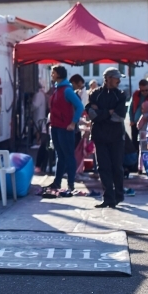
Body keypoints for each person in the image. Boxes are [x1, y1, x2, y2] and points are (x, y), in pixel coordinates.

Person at [86, 67, 127, 209]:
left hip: (116, 136)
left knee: (117, 166)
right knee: (103, 167)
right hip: (100, 136)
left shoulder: (121, 95)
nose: (119, 80)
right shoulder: (95, 94)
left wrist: (101, 114)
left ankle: (119, 195)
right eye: (116, 77)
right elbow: (91, 114)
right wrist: (108, 112)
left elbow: (119, 116)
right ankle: (108, 197)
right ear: (108, 78)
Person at [46, 65, 84, 196]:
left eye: (53, 72)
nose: (52, 74)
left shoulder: (67, 90)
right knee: (60, 156)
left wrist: (73, 123)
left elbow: (80, 107)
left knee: (68, 156)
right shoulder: (58, 89)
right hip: (56, 127)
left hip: (65, 128)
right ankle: (57, 182)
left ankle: (71, 183)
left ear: (59, 74)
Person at [129, 80, 148, 161]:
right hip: (135, 122)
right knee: (135, 142)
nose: (144, 92)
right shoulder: (136, 94)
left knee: (146, 143)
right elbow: (131, 108)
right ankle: (136, 161)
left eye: (146, 90)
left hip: (147, 123)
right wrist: (131, 120)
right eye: (142, 90)